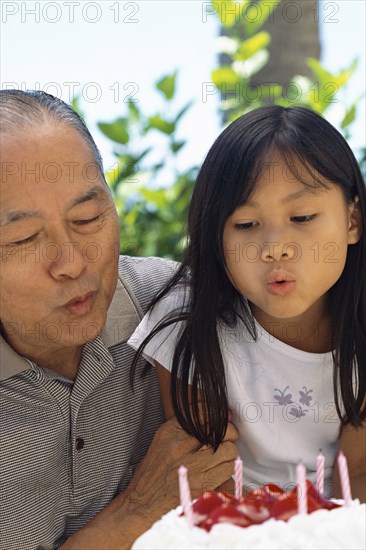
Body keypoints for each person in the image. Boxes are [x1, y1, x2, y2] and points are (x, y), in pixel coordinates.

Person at [0, 89, 238, 550]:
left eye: (88, 218)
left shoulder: (176, 310)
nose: (71, 261)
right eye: (25, 238)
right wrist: (137, 511)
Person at [129, 105, 366, 501]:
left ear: (352, 222)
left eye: (303, 217)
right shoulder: (188, 326)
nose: (276, 249)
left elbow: (356, 472)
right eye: (246, 225)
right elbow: (207, 474)